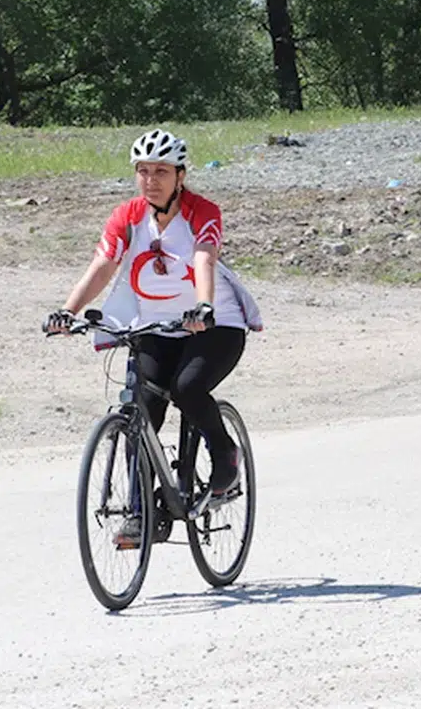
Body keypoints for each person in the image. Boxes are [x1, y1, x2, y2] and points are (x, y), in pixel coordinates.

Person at [44, 129, 263, 546]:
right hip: (155, 327)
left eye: (161, 171)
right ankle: (143, 513)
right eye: (143, 171)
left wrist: (204, 305)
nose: (151, 179)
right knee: (140, 412)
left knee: (188, 386)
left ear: (180, 175)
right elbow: (104, 264)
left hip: (215, 326)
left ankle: (225, 455)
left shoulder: (203, 211)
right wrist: (67, 311)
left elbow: (204, 257)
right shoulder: (127, 216)